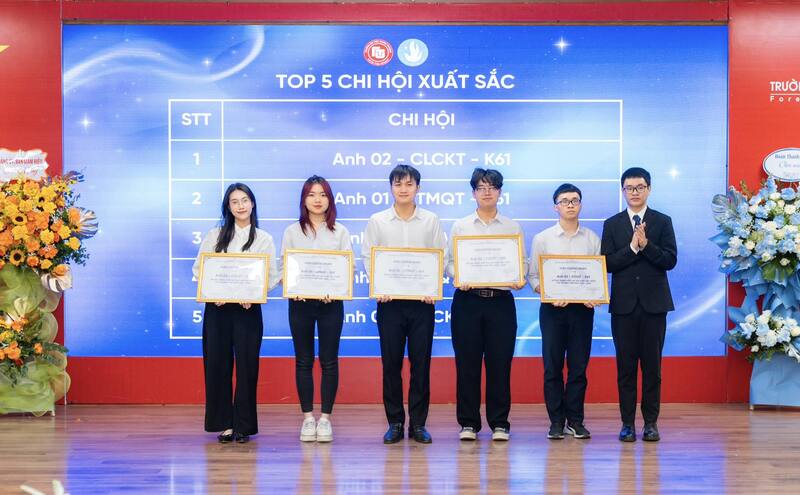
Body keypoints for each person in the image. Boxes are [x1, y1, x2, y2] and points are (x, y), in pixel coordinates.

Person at [362, 164, 447, 444]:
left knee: (421, 364)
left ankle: (418, 424)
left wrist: (432, 285)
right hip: (390, 304)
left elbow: (441, 255)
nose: (403, 189)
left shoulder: (431, 220)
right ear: (391, 188)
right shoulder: (378, 220)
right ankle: (395, 422)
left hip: (423, 303)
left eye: (409, 184)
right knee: (391, 365)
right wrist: (379, 286)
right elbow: (368, 256)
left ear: (418, 188)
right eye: (398, 184)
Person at [192, 183, 280, 444]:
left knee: (247, 367)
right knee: (217, 365)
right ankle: (224, 424)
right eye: (234, 201)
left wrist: (254, 294)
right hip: (217, 310)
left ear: (252, 203)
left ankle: (243, 425)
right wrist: (213, 292)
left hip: (248, 310)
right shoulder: (215, 235)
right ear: (228, 207)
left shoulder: (263, 238)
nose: (240, 206)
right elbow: (200, 268)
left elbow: (271, 276)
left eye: (244, 200)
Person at [446, 168, 527, 442]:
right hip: (467, 301)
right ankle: (468, 423)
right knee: (466, 364)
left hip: (500, 303)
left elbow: (522, 263)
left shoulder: (512, 227)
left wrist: (519, 277)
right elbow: (449, 262)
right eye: (481, 187)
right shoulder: (461, 226)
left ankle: (500, 423)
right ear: (473, 193)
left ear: (500, 192)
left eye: (492, 187)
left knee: (500, 364)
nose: (487, 192)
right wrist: (459, 276)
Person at [601, 167, 677, 442]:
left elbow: (670, 260)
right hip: (623, 307)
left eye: (640, 187)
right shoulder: (612, 224)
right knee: (626, 368)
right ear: (623, 191)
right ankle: (627, 424)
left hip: (654, 306)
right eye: (629, 188)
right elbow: (607, 263)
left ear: (649, 189)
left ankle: (651, 423)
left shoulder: (663, 221)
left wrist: (647, 246)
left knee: (653, 368)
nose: (634, 192)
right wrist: (633, 248)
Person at [281, 176, 352, 443]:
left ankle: (325, 420)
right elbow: (284, 266)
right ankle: (308, 418)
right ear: (304, 200)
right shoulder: (292, 232)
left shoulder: (340, 232)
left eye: (322, 194)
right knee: (303, 360)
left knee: (329, 361)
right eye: (311, 194)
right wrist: (293, 286)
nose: (317, 199)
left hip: (331, 304)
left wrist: (335, 289)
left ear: (330, 199)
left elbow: (347, 267)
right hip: (300, 304)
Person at [529, 183, 601, 440]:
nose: (570, 205)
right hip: (552, 311)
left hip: (582, 311)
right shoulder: (542, 238)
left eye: (575, 200)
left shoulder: (592, 238)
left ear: (580, 204)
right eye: (564, 201)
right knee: (553, 367)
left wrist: (595, 295)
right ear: (555, 207)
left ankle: (576, 421)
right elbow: (534, 276)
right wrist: (547, 292)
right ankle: (556, 422)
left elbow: (596, 275)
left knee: (579, 368)